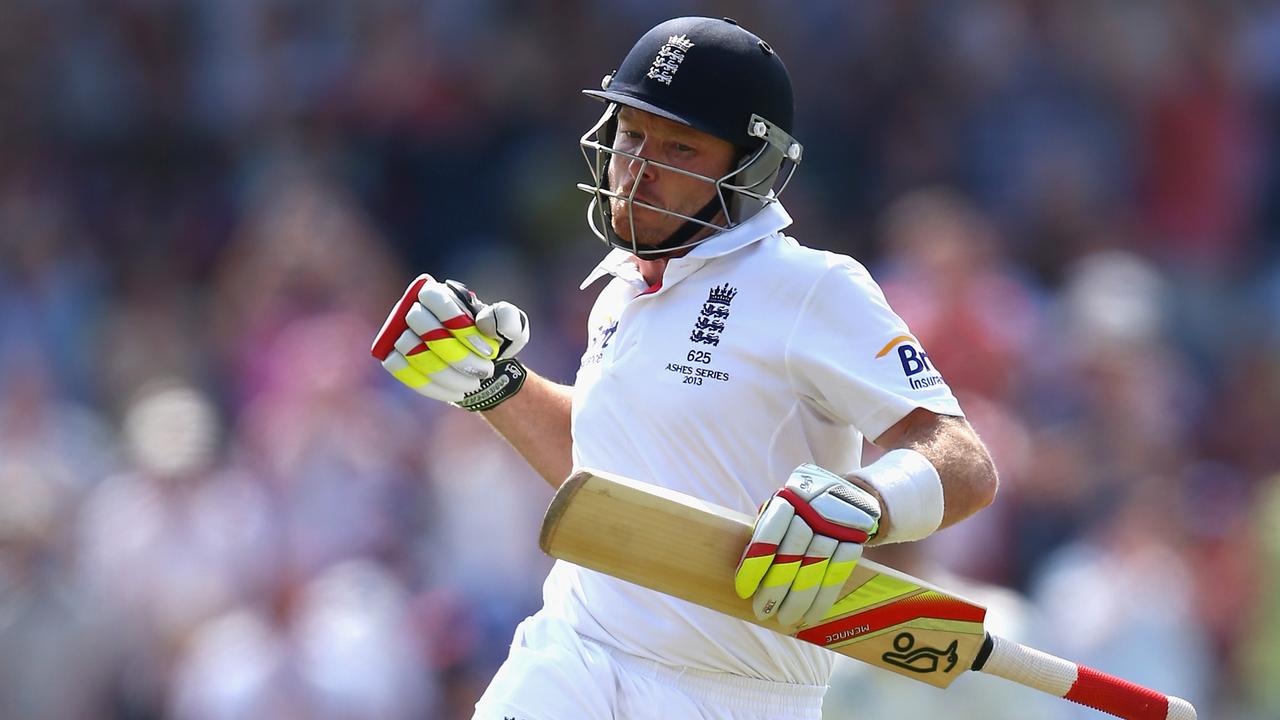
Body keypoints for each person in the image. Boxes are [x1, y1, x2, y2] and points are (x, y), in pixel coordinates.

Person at [370, 16, 998, 720]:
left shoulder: (811, 287)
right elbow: (607, 480)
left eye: (679, 147)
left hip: (735, 692)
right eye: (632, 134)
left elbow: (965, 463)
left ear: (750, 166)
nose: (638, 167)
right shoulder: (620, 290)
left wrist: (864, 502)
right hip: (572, 654)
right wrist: (495, 385)